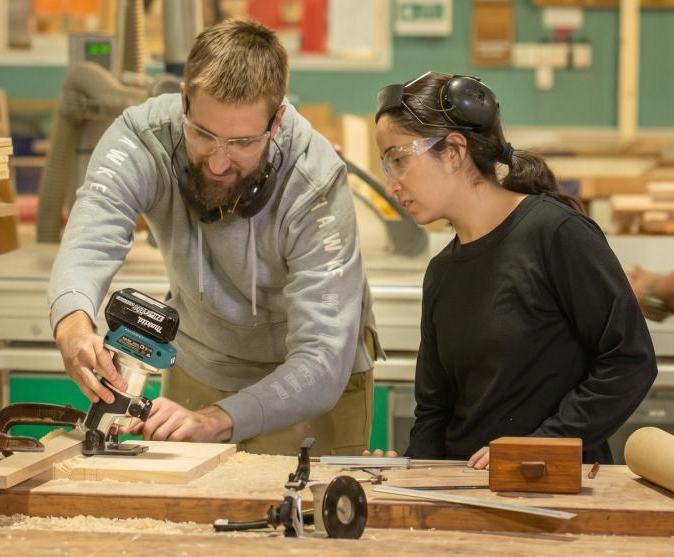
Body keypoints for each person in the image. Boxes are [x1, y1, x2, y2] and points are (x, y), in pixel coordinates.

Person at [48, 18, 379, 456]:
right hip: (201, 364)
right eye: (203, 135)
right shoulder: (144, 137)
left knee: (306, 515)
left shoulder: (313, 180)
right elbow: (91, 233)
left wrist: (217, 420)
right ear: (184, 100)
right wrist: (72, 323)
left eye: (242, 142)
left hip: (306, 390)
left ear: (276, 122)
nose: (219, 163)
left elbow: (322, 358)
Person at [369, 71, 657, 468]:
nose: (392, 184)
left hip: (553, 495)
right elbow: (435, 412)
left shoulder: (556, 234)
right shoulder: (442, 272)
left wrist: (540, 447)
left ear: (454, 151)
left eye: (398, 160)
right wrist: (407, 470)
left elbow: (629, 360)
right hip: (467, 496)